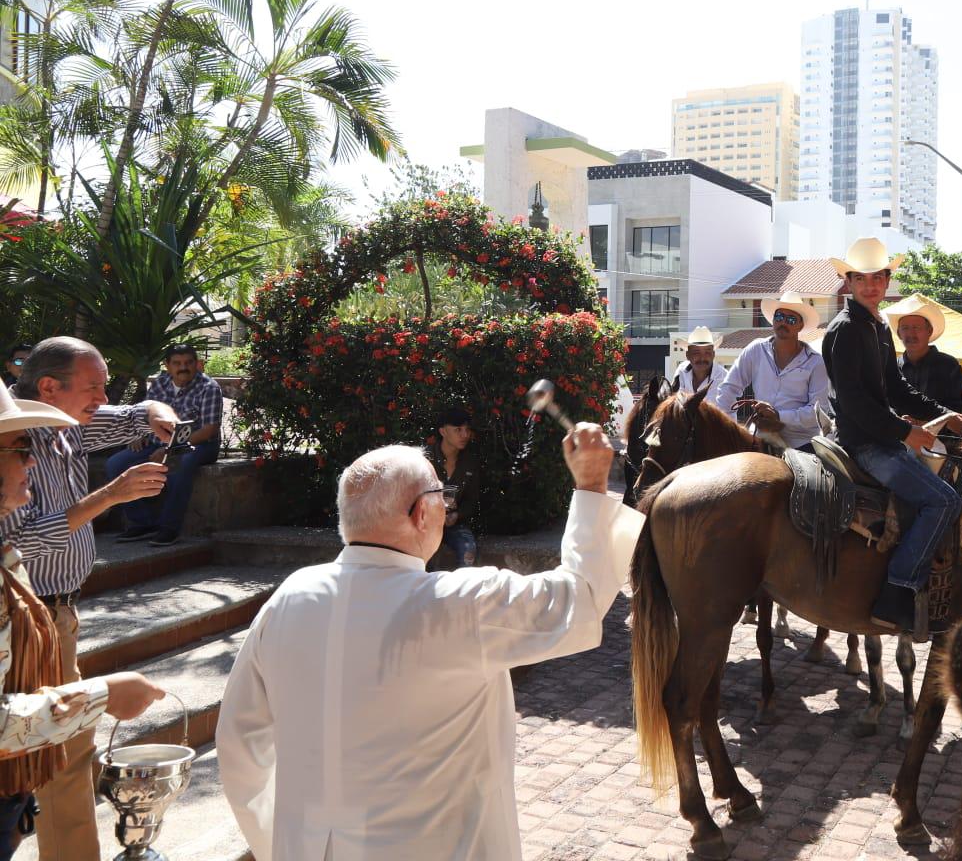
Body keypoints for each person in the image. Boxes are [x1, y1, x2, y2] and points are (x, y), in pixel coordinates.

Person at [216, 425, 641, 860]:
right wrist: (590, 486)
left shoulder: (290, 596)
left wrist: (282, 846)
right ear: (421, 513)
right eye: (443, 495)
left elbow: (238, 743)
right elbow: (580, 602)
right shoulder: (458, 604)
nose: (448, 506)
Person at [2, 337, 176, 860]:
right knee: (52, 750)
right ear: (50, 387)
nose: (104, 395)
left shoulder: (63, 420)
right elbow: (23, 541)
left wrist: (156, 413)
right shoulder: (16, 434)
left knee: (66, 754)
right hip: (30, 617)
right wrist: (110, 496)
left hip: (57, 613)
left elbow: (132, 415)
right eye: (94, 386)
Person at [822, 237, 962, 633]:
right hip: (864, 443)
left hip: (882, 437)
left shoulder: (878, 327)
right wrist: (907, 433)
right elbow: (853, 403)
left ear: (887, 281)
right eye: (860, 278)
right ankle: (897, 590)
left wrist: (945, 414)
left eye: (877, 278)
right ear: (849, 282)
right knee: (944, 502)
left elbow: (897, 388)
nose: (870, 285)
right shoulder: (847, 330)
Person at [105, 343, 224, 547]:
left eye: (188, 362)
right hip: (158, 441)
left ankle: (170, 529)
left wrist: (170, 450)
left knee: (180, 464)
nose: (183, 367)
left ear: (197, 364)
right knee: (115, 464)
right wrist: (137, 434)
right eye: (177, 363)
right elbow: (145, 415)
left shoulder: (209, 387)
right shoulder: (161, 383)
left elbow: (208, 430)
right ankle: (142, 523)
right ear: (167, 366)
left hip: (198, 444)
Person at [715, 290, 830, 451]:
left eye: (790, 319)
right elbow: (728, 388)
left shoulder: (815, 362)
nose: (783, 322)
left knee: (815, 476)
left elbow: (818, 411)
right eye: (779, 317)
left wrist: (779, 416)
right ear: (773, 320)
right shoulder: (755, 349)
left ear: (800, 326)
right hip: (760, 436)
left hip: (802, 442)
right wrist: (726, 427)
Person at [887, 295, 962, 416]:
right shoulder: (892, 367)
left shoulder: (949, 366)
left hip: (941, 435)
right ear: (899, 334)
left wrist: (924, 423)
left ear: (929, 331)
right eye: (905, 328)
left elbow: (958, 411)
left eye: (916, 327)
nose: (911, 334)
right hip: (902, 434)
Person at [425, 407, 480, 570]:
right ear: (443, 431)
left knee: (468, 550)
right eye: (458, 430)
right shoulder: (425, 460)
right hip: (426, 524)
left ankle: (463, 593)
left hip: (454, 524)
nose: (465, 435)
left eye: (467, 430)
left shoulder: (470, 462)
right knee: (426, 555)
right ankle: (427, 594)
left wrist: (457, 515)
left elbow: (472, 501)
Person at [674, 326, 727, 394]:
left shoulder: (724, 377)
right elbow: (675, 398)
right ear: (687, 355)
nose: (702, 358)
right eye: (696, 353)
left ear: (713, 354)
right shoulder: (682, 371)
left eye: (707, 352)